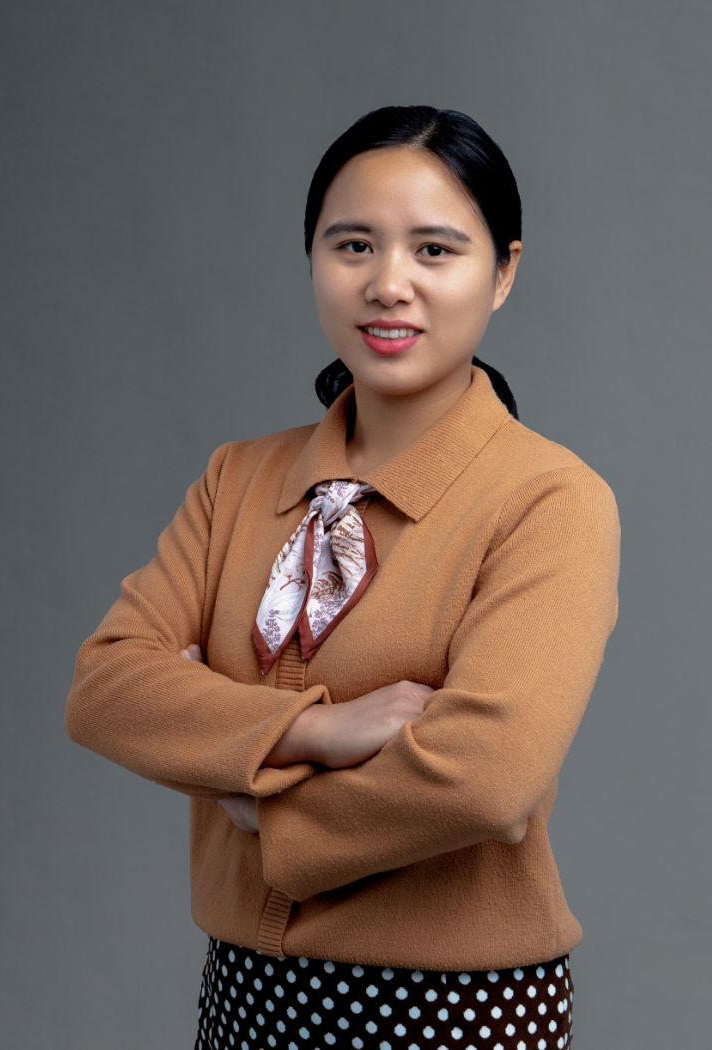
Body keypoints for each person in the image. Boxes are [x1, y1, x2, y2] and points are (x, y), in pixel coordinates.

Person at [66, 106, 620, 1050]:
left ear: (503, 271)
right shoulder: (237, 479)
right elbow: (107, 686)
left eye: (435, 249)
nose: (387, 284)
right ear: (313, 258)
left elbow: (485, 779)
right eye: (353, 244)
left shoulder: (548, 500)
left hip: (453, 1009)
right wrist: (312, 730)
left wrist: (254, 799)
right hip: (244, 992)